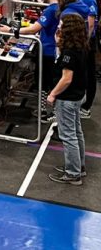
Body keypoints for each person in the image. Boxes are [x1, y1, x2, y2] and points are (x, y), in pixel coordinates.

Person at [48, 14, 88, 185]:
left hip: (68, 98)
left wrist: (53, 94)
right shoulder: (81, 47)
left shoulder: (69, 52)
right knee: (76, 132)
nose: (59, 26)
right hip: (78, 95)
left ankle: (73, 174)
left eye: (62, 25)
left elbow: (66, 79)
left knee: (68, 135)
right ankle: (79, 166)